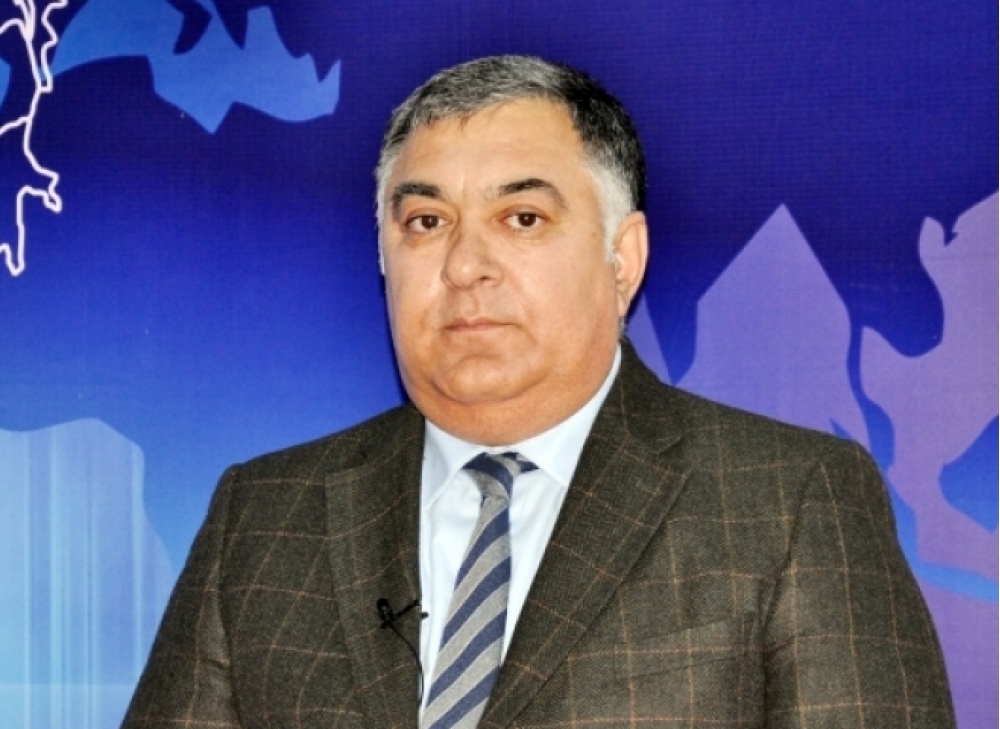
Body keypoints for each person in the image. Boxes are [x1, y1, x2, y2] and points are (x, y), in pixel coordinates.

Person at [122, 55, 954, 728]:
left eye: (522, 218)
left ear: (622, 258)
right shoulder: (263, 515)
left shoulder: (789, 501)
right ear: (384, 256)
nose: (464, 265)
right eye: (426, 222)